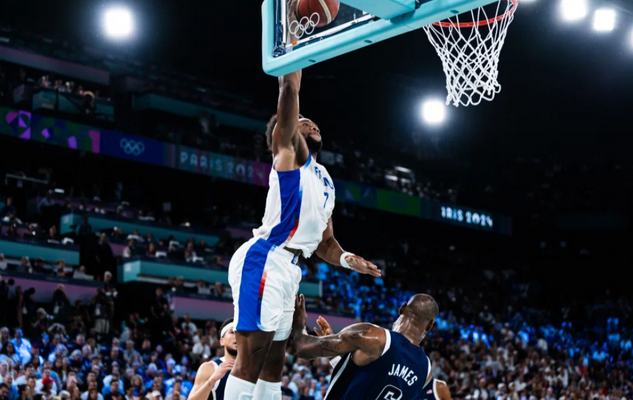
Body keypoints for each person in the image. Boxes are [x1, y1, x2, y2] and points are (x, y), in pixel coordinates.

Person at [224, 4, 380, 398]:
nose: (312, 123)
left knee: (275, 360)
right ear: (285, 134)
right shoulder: (289, 156)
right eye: (302, 122)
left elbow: (326, 244)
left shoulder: (325, 179)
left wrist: (348, 260)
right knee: (252, 356)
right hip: (267, 257)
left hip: (294, 266)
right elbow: (289, 90)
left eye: (312, 122)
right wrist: (295, 37)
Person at [292, 293, 438, 400]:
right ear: (430, 325)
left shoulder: (372, 336)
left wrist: (299, 324)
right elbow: (375, 381)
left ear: (402, 308)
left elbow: (302, 348)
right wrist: (339, 357)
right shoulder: (426, 372)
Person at [189, 319, 236, 400]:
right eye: (232, 332)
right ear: (222, 341)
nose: (237, 336)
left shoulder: (256, 369)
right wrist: (212, 380)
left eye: (241, 333)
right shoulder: (209, 368)